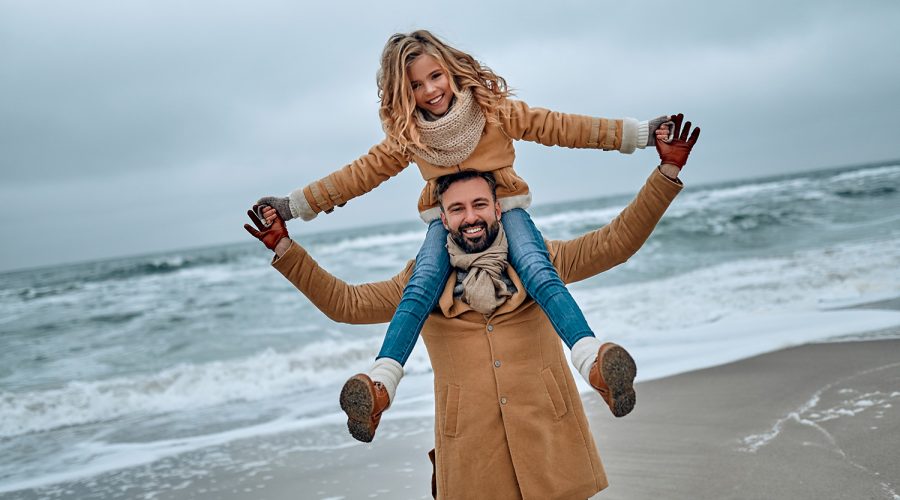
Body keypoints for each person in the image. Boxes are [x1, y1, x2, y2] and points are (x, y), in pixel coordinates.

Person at [245, 115, 699, 499]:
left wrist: (666, 175)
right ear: (443, 219)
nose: (471, 216)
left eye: (480, 204)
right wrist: (285, 248)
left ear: (499, 209)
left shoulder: (541, 261)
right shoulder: (419, 283)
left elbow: (615, 243)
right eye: (458, 208)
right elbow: (346, 303)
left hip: (551, 445)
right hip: (472, 459)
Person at [255, 29, 674, 443]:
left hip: (508, 208)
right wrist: (292, 210)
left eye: (434, 76)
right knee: (418, 290)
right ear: (403, 94)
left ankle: (593, 363)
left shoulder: (494, 112)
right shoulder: (409, 137)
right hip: (471, 445)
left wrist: (638, 136)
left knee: (537, 270)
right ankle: (380, 386)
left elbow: (562, 128)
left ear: (452, 72)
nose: (429, 90)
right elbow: (355, 179)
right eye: (415, 85)